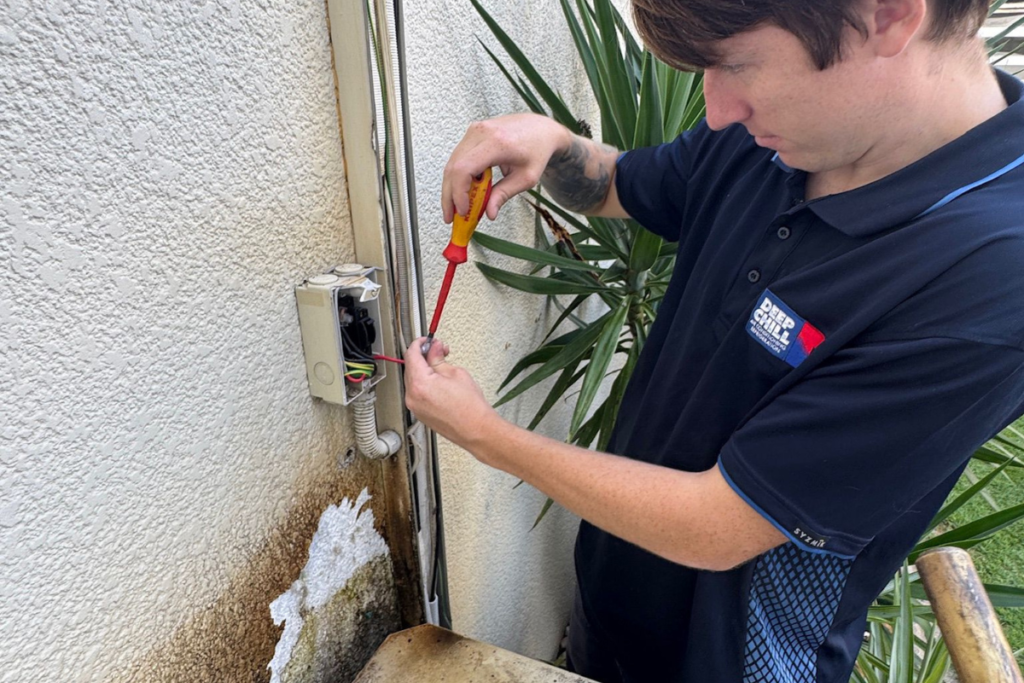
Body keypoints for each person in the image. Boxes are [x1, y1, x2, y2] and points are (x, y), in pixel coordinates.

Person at [404, 0, 1024, 680]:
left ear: (889, 15)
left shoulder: (990, 280)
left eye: (736, 63)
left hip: (731, 662)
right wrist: (551, 145)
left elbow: (722, 523)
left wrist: (485, 435)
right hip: (613, 610)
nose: (718, 109)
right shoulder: (780, 132)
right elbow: (625, 184)